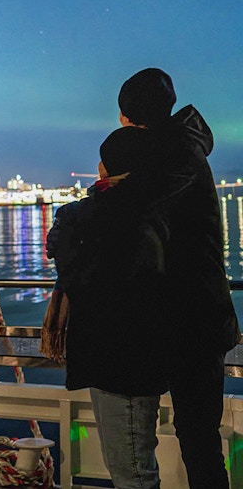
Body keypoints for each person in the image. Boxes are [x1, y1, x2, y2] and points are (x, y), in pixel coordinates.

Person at [117, 68, 240, 489]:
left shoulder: (167, 158)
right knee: (197, 436)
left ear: (128, 118)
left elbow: (130, 219)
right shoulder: (185, 151)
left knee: (185, 438)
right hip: (200, 317)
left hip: (186, 322)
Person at [44, 125, 171, 488]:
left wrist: (69, 227)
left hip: (121, 362)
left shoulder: (114, 217)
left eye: (103, 159)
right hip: (130, 357)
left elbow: (87, 282)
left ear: (110, 167)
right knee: (133, 462)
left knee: (131, 470)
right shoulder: (147, 208)